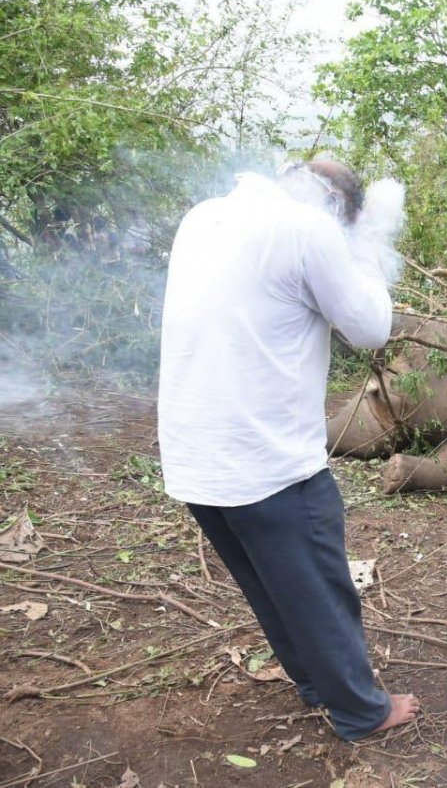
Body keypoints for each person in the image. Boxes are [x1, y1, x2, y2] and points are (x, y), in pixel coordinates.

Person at [157, 161, 418, 740]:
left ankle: (314, 683)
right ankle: (360, 711)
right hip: (265, 462)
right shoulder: (308, 229)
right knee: (321, 589)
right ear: (332, 205)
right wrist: (368, 243)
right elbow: (372, 327)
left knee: (273, 586)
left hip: (194, 458)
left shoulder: (205, 217)